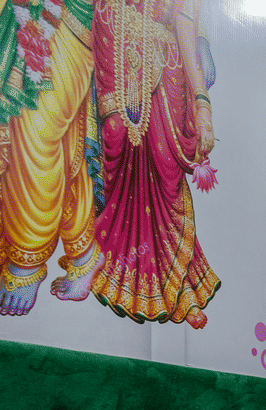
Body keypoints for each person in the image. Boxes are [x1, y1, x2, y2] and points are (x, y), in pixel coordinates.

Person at [0, 0, 103, 316]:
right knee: (52, 139)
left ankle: (28, 257)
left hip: (69, 18)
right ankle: (83, 252)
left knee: (37, 139)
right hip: (22, 13)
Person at [89, 0, 217, 329]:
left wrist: (201, 100)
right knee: (117, 138)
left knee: (165, 175)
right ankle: (110, 267)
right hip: (114, 45)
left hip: (165, 65)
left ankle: (180, 290)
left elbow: (185, 18)